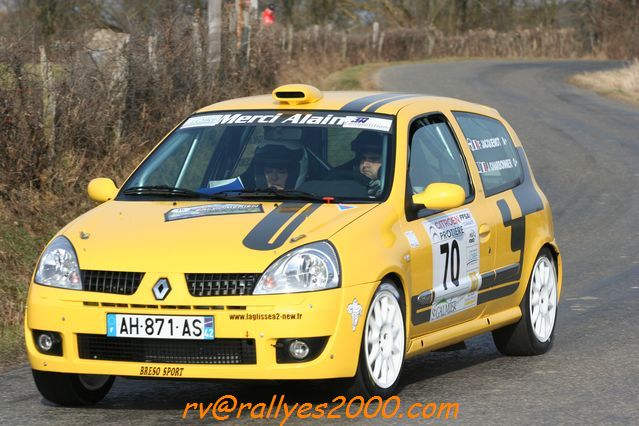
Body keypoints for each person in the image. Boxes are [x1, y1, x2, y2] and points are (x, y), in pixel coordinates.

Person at [350, 131, 385, 196]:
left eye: (373, 159)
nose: (365, 165)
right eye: (363, 158)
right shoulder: (346, 186)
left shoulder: (390, 192)